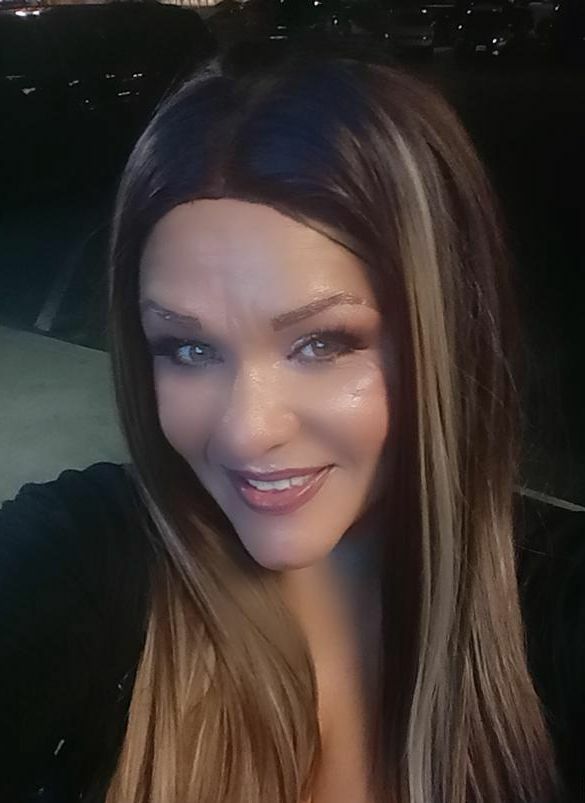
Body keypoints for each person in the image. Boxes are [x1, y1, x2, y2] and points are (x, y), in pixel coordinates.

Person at [1, 49, 583, 803]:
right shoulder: (85, 561)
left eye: (322, 344)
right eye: (188, 348)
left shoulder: (556, 602)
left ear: (447, 339)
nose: (245, 432)